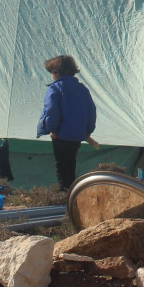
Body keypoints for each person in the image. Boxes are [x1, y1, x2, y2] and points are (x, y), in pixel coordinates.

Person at [38, 55, 97, 190]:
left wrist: (52, 129)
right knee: (71, 162)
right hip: (77, 134)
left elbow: (51, 110)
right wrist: (88, 130)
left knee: (61, 164)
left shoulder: (56, 88)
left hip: (61, 134)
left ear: (57, 72)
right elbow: (91, 110)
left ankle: (65, 191)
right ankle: (72, 189)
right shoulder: (82, 89)